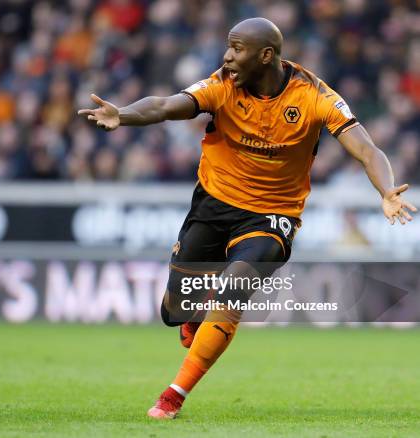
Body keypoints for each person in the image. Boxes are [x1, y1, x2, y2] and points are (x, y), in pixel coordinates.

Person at [78, 17, 416, 419]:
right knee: (175, 312)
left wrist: (386, 189)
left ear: (266, 55)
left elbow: (366, 148)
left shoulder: (313, 95)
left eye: (237, 49)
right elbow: (168, 105)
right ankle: (195, 313)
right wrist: (125, 115)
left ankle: (173, 396)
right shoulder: (222, 84)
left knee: (233, 289)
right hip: (213, 205)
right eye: (228, 47)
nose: (227, 55)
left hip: (273, 214)